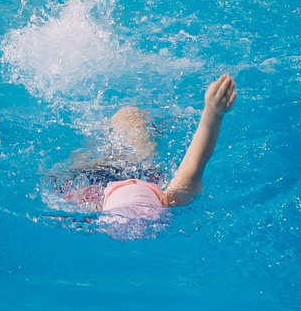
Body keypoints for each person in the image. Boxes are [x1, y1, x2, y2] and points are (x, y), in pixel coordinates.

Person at [47, 75, 237, 230]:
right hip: (131, 178)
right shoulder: (173, 198)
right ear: (162, 200)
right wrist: (213, 112)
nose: (130, 180)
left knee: (125, 121)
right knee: (129, 117)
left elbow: (195, 164)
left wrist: (214, 112)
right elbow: (195, 162)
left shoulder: (86, 198)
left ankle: (118, 128)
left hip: (93, 178)